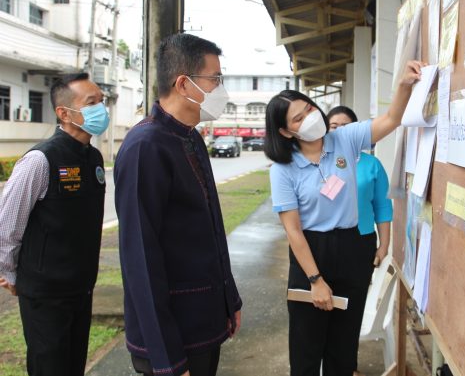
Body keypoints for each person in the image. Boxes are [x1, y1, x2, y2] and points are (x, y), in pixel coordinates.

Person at [265, 60, 422, 376]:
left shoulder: (345, 139)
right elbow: (293, 231)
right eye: (299, 118)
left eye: (309, 108)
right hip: (311, 252)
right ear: (285, 131)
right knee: (307, 349)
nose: (310, 117)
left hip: (353, 247)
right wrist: (315, 280)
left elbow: (392, 119)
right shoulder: (283, 170)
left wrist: (404, 85)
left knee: (344, 348)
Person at [114, 33, 242, 376]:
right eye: (214, 80)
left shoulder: (189, 136)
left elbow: (211, 229)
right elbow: (140, 260)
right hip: (173, 338)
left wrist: (229, 300)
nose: (220, 90)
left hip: (202, 321)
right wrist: (166, 358)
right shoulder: (146, 146)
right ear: (184, 84)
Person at [0, 73, 108, 376]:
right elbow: (8, 223)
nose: (101, 109)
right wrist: (10, 273)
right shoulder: (40, 160)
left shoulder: (94, 158)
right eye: (91, 103)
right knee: (50, 367)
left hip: (81, 287)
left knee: (73, 366)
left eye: (102, 102)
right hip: (46, 294)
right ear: (64, 113)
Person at [327, 105, 393, 376]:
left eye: (346, 126)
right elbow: (322, 203)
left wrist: (384, 244)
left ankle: (348, 367)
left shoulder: (371, 165)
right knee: (326, 309)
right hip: (328, 243)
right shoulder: (323, 162)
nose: (339, 131)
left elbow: (382, 206)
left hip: (361, 241)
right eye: (333, 126)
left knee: (352, 311)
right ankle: (328, 366)